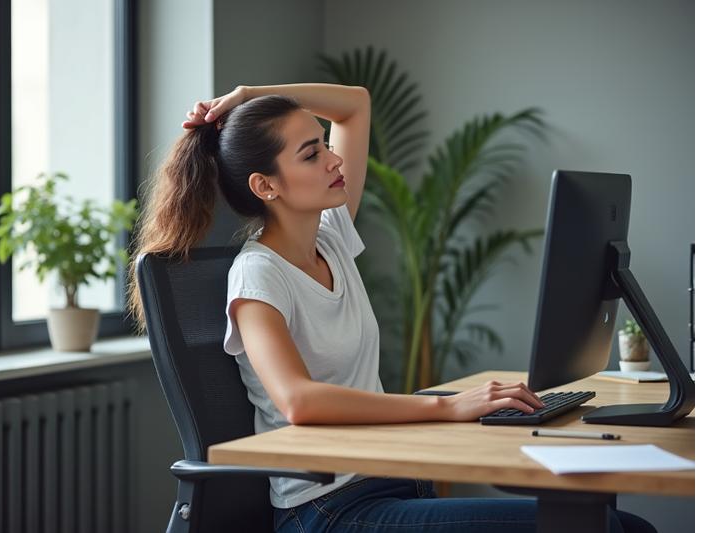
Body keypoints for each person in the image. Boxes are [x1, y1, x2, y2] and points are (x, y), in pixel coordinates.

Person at [127, 83, 656, 533]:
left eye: (323, 146)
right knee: (611, 528)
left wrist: (253, 95)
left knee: (612, 523)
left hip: (390, 479)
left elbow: (354, 105)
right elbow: (299, 402)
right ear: (266, 186)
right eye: (310, 154)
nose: (334, 159)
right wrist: (447, 406)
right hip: (326, 509)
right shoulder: (257, 275)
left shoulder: (330, 239)